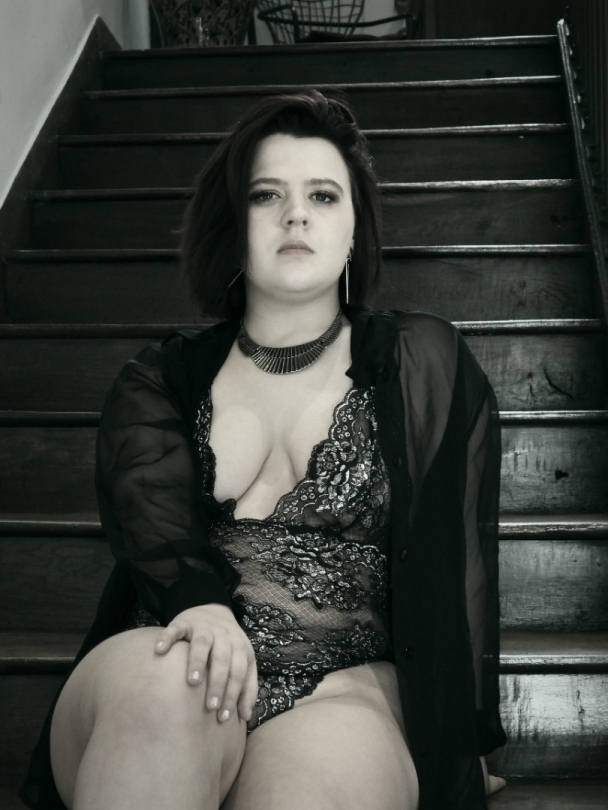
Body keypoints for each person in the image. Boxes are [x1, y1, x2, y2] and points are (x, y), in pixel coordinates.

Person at [19, 89, 507, 810]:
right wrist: (204, 609)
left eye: (323, 195)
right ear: (232, 223)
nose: (296, 214)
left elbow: (457, 565)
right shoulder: (159, 379)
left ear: (355, 229)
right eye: (265, 194)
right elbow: (150, 520)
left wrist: (458, 738)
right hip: (168, 657)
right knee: (170, 688)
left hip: (339, 692)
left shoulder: (422, 360)